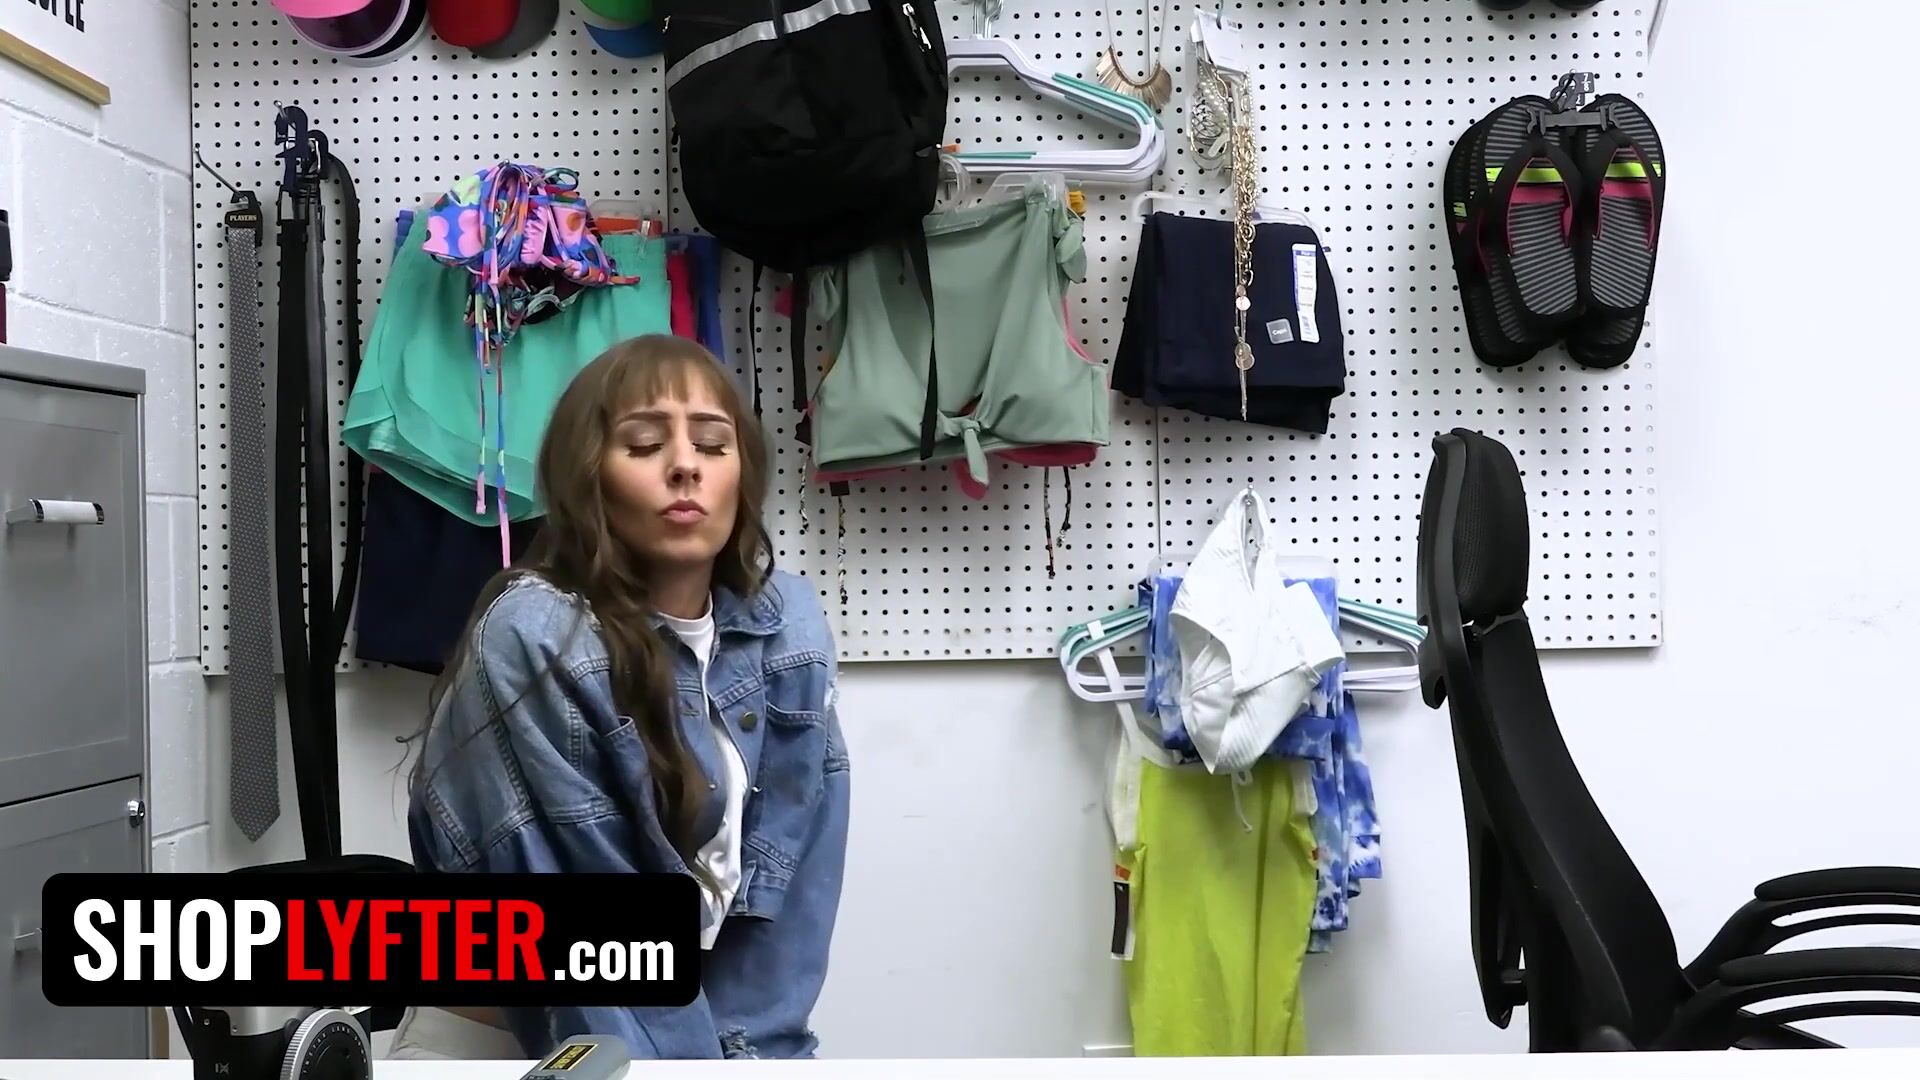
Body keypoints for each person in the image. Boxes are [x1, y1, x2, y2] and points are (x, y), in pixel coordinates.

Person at [392, 335, 850, 1060]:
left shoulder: (787, 627)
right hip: (516, 1044)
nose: (686, 466)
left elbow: (789, 903)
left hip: (687, 1035)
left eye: (713, 444)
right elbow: (591, 934)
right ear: (588, 478)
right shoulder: (536, 635)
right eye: (643, 445)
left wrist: (755, 1062)